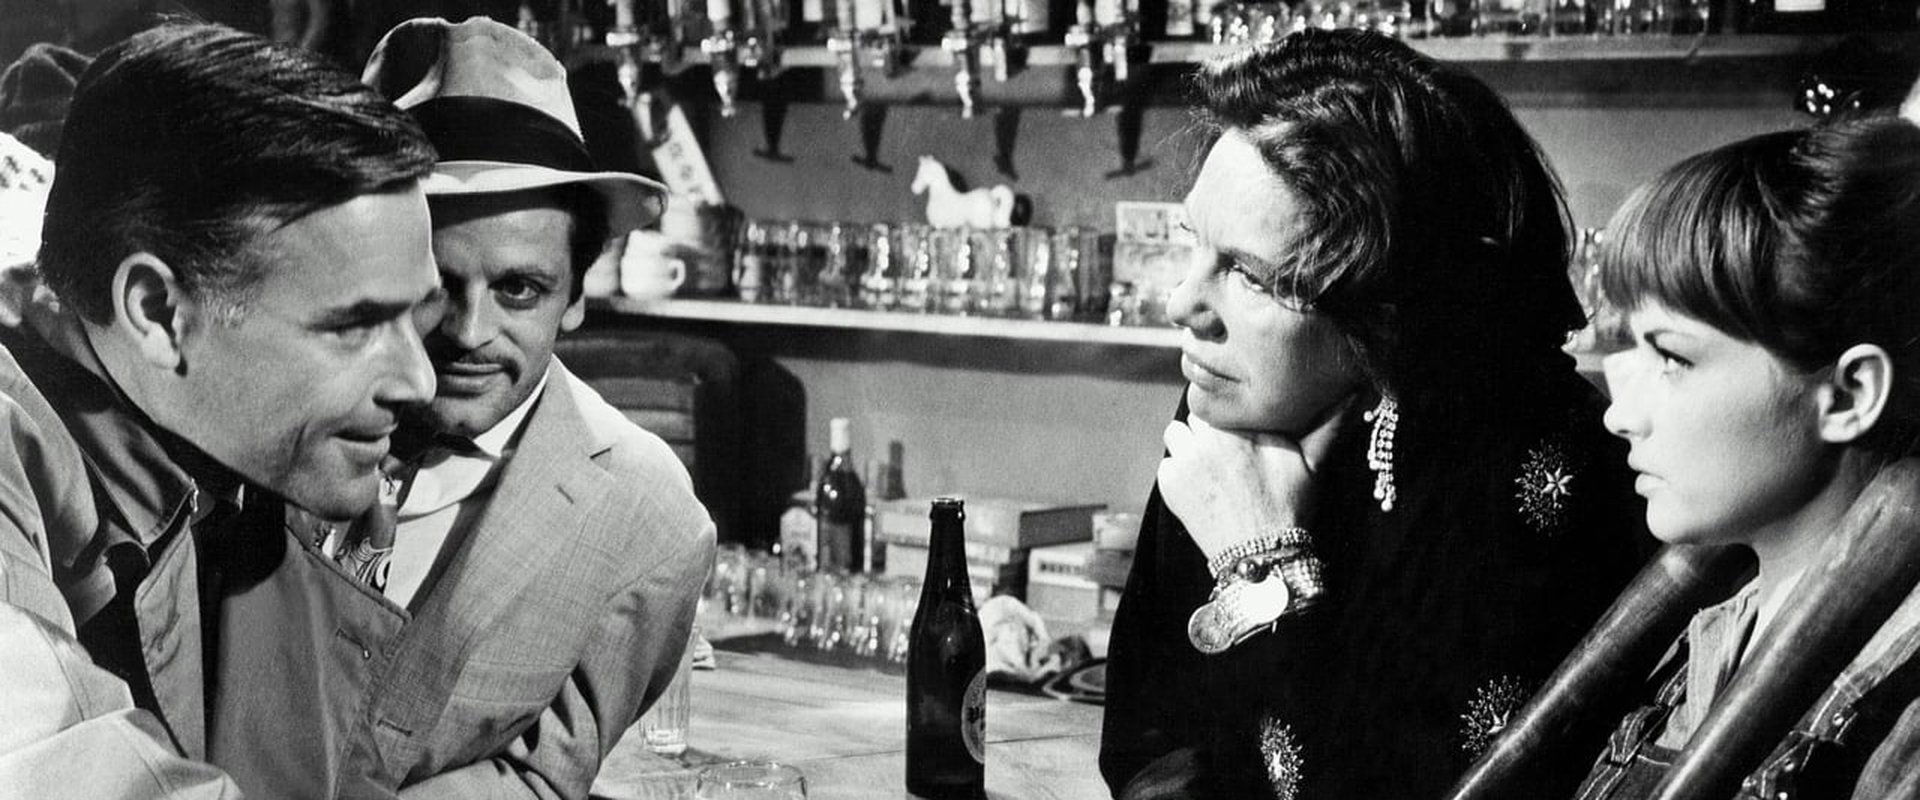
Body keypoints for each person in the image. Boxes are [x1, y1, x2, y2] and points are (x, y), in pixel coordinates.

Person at [1099, 29, 1654, 800]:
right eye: (1194, 241)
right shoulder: (1236, 401)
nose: (1181, 303)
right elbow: (1151, 746)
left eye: (1251, 277)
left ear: (1388, 308)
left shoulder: (1545, 470)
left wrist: (1268, 571)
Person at [1, 21, 443, 798]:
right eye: (354, 325)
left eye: (418, 315)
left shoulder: (246, 444)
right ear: (157, 311)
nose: (421, 381)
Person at [334, 17, 715, 798]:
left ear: (575, 296)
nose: (469, 332)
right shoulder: (274, 426)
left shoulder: (649, 517)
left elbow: (536, 781)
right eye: (436, 286)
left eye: (518, 289)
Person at [1538, 117, 1920, 799]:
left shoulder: (1905, 712)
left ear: (1849, 395)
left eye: (1673, 358)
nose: (1619, 415)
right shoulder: (1700, 638)